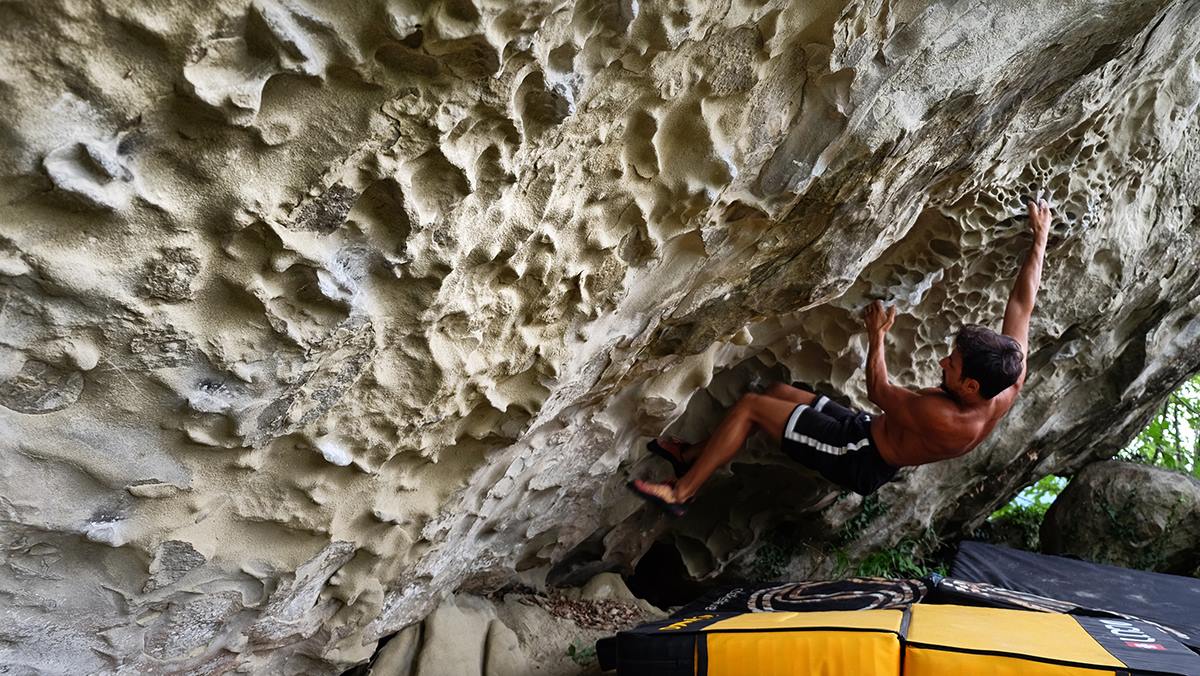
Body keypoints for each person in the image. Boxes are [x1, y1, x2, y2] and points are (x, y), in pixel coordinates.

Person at [629, 198, 1052, 516]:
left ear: (971, 386)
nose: (943, 363)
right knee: (778, 391)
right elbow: (1021, 306)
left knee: (753, 408)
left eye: (952, 365)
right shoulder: (1007, 378)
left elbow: (879, 390)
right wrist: (1040, 238)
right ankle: (691, 455)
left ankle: (682, 493)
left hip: (857, 454)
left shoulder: (948, 419)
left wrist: (877, 336)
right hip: (869, 429)